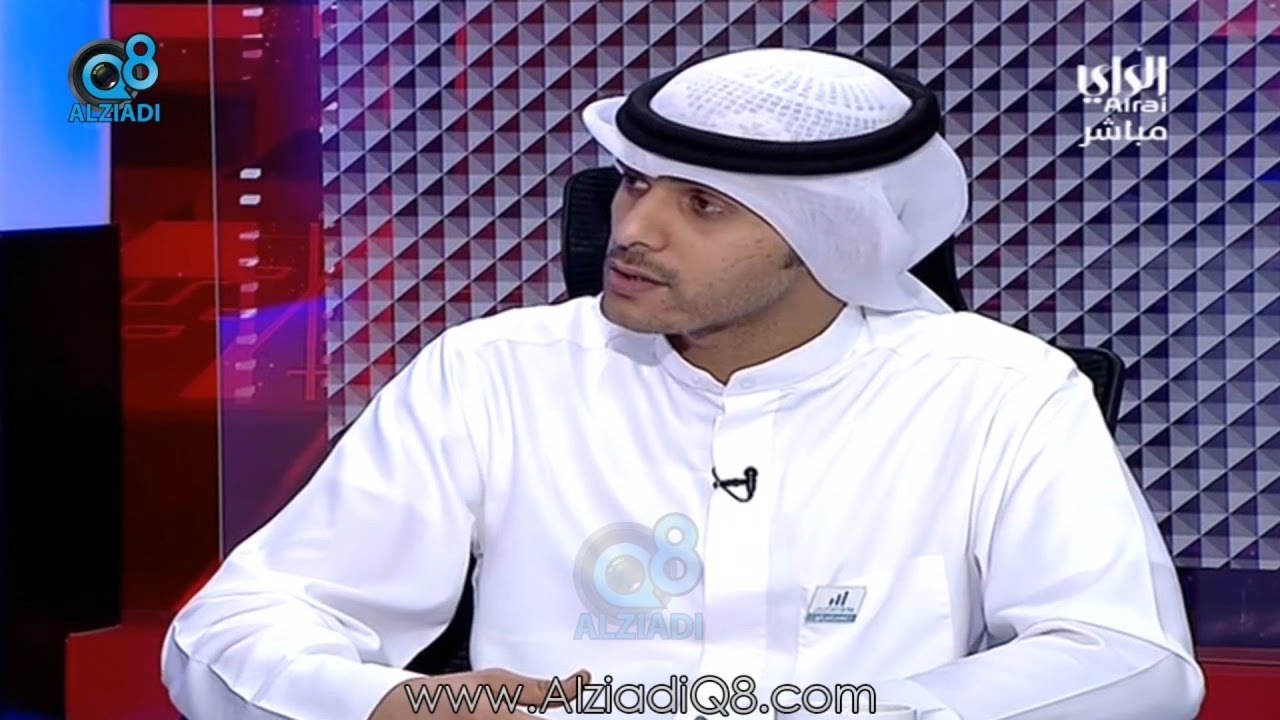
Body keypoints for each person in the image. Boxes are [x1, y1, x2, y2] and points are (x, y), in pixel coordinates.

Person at [161, 47, 1205, 720]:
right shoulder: (492, 374)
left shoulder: (1000, 392)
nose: (633, 229)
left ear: (825, 237)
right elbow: (229, 633)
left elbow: (1130, 660)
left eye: (701, 205)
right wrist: (403, 705)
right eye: (634, 184)